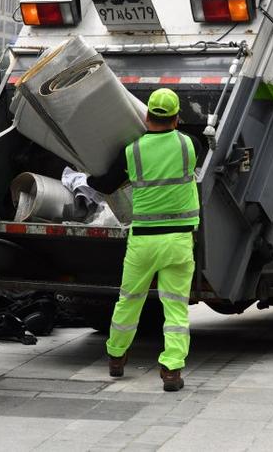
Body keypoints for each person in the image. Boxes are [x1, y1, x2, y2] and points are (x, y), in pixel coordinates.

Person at [87, 88, 200, 392]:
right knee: (176, 307)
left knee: (130, 300)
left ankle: (116, 357)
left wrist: (88, 174)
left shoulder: (132, 151)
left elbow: (105, 184)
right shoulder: (190, 145)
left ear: (146, 116)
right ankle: (172, 370)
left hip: (144, 242)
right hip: (178, 240)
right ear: (176, 120)